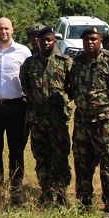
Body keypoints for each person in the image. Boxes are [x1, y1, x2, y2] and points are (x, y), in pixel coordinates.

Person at [68, 26, 109, 214]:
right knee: (82, 162)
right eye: (86, 39)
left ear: (100, 41)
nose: (90, 42)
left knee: (108, 163)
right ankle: (84, 202)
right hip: (82, 120)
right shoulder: (78, 62)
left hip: (104, 121)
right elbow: (72, 86)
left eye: (93, 39)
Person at [19, 25, 72, 207]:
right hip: (38, 119)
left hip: (58, 119)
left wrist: (61, 101)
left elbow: (72, 87)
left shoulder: (65, 62)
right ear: (38, 42)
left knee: (61, 157)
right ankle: (46, 194)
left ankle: (62, 195)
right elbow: (25, 86)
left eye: (50, 40)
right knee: (41, 157)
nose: (46, 43)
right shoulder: (29, 63)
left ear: (55, 41)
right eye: (43, 40)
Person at [0, 17, 31, 203]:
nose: (3, 32)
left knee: (16, 150)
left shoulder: (23, 51)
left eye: (6, 28)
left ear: (13, 30)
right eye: (0, 29)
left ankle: (16, 189)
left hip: (17, 107)